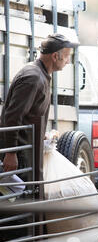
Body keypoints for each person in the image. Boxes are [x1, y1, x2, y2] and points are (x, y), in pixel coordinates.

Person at [0, 33, 79, 178]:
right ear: (55, 56)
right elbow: (12, 116)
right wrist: (11, 153)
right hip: (20, 153)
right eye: (67, 56)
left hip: (26, 150)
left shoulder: (40, 74)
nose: (68, 61)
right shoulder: (33, 78)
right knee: (20, 198)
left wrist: (42, 136)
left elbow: (29, 114)